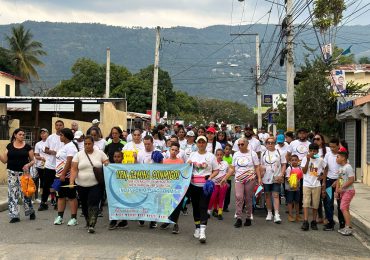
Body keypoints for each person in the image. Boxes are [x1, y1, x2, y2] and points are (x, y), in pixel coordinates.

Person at [70, 135, 109, 233]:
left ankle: (92, 223)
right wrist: (71, 181)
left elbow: (106, 163)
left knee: (93, 203)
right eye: (85, 144)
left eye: (89, 144)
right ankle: (88, 220)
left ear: (93, 144)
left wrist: (106, 164)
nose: (87, 146)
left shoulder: (100, 153)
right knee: (84, 204)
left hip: (96, 184)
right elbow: (74, 169)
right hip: (81, 185)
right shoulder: (78, 155)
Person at [222, 138, 261, 228]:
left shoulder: (252, 153)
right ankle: (239, 218)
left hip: (250, 178)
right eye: (238, 145)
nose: (240, 146)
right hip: (239, 179)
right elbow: (232, 168)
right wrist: (225, 177)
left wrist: (259, 178)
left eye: (242, 144)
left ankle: (248, 217)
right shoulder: (236, 154)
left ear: (247, 144)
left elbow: (257, 167)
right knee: (239, 197)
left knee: (248, 198)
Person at [187, 136, 220, 243]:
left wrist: (210, 177)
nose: (201, 144)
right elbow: (187, 167)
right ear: (197, 143)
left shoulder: (211, 156)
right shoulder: (192, 155)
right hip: (194, 185)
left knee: (203, 207)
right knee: (195, 207)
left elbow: (216, 170)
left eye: (203, 142)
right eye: (199, 142)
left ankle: (202, 231)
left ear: (206, 144)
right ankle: (197, 228)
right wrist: (188, 165)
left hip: (206, 187)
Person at [0, 128, 36, 223]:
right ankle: (14, 216)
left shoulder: (27, 147)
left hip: (24, 174)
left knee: (26, 193)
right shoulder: (10, 146)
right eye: (20, 134)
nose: (22, 136)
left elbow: (33, 160)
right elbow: (4, 161)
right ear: (15, 135)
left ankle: (30, 211)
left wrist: (28, 164)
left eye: (23, 135)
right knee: (12, 194)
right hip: (12, 173)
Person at [53, 128, 79, 226]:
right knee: (60, 196)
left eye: (61, 135)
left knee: (71, 197)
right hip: (58, 176)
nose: (60, 137)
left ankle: (73, 218)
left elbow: (70, 161)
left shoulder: (71, 147)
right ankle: (60, 216)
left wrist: (63, 174)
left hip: (67, 176)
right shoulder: (64, 146)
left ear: (66, 136)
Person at [39, 120, 64, 211]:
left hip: (60, 166)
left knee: (58, 185)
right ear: (55, 126)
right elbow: (46, 150)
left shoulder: (65, 137)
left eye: (60, 125)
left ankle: (58, 203)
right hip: (50, 165)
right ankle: (43, 203)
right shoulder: (51, 137)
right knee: (46, 185)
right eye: (57, 125)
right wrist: (52, 152)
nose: (58, 127)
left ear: (63, 126)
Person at [160, 142, 185, 234]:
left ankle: (175, 224)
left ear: (178, 151)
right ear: (169, 150)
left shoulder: (181, 161)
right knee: (167, 205)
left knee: (176, 206)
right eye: (172, 150)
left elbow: (183, 174)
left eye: (176, 150)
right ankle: (167, 222)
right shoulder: (165, 161)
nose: (174, 152)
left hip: (177, 187)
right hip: (167, 186)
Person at [301, 143, 326, 231]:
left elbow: (326, 167)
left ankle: (314, 221)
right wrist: (308, 160)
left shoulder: (320, 160)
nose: (312, 152)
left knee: (315, 204)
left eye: (314, 151)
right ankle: (305, 221)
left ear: (317, 151)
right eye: (310, 151)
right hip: (307, 184)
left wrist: (322, 177)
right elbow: (304, 171)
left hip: (316, 184)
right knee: (306, 203)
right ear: (309, 150)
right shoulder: (305, 158)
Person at [260, 137, 286, 224]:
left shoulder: (280, 152)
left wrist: (281, 174)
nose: (270, 144)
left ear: (275, 143)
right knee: (267, 195)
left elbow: (283, 165)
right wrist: (261, 171)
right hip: (266, 177)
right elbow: (260, 165)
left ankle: (277, 214)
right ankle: (269, 213)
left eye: (272, 143)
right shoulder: (263, 153)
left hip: (276, 177)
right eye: (268, 143)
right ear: (266, 144)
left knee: (275, 195)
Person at [136, 135, 159, 228]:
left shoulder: (157, 152)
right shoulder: (140, 153)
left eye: (148, 144)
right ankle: (142, 217)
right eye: (145, 144)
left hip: (154, 181)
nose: (146, 146)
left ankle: (153, 220)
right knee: (143, 200)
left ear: (152, 143)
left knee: (153, 201)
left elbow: (162, 167)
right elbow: (137, 167)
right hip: (143, 180)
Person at [323, 138, 344, 231]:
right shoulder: (327, 155)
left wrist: (338, 181)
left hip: (340, 181)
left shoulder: (342, 155)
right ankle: (330, 222)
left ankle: (342, 224)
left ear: (338, 145)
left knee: (340, 203)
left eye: (334, 147)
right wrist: (324, 182)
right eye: (330, 146)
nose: (331, 148)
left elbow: (344, 170)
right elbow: (325, 169)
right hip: (329, 181)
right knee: (328, 202)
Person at [335, 147, 355, 236]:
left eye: (338, 157)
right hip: (343, 191)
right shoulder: (340, 168)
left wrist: (342, 188)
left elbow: (351, 179)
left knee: (343, 208)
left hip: (349, 191)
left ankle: (349, 228)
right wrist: (337, 191)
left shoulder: (348, 167)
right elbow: (339, 180)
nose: (336, 158)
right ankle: (347, 226)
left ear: (343, 157)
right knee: (345, 208)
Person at [108, 151, 129, 230]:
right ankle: (114, 220)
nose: (116, 158)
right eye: (115, 157)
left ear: (122, 158)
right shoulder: (110, 167)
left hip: (123, 190)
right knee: (114, 204)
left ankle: (124, 221)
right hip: (113, 190)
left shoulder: (125, 167)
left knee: (123, 205)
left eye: (118, 157)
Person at [207, 149, 229, 220]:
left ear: (223, 155)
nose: (219, 156)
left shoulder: (225, 163)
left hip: (223, 184)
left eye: (221, 155)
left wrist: (226, 178)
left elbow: (230, 171)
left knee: (221, 198)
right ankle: (208, 212)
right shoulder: (213, 163)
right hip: (214, 183)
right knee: (212, 198)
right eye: (217, 155)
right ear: (215, 155)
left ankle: (220, 213)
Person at [285, 155, 302, 222]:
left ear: (298, 161)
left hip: (297, 188)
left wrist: (297, 182)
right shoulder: (289, 168)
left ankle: (297, 215)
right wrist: (292, 182)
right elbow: (287, 177)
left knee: (297, 202)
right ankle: (290, 215)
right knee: (290, 202)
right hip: (290, 188)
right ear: (290, 161)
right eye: (292, 160)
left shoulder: (300, 168)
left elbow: (301, 177)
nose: (294, 161)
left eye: (295, 160)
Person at [34, 128, 49, 204]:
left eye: (44, 133)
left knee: (48, 182)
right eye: (41, 133)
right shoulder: (38, 144)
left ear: (48, 134)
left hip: (50, 165)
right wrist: (41, 158)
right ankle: (42, 197)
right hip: (40, 165)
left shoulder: (51, 142)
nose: (43, 134)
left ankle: (50, 197)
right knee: (42, 181)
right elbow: (36, 155)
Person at [222, 143, 233, 212]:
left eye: (229, 149)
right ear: (224, 150)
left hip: (228, 179)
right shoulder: (222, 157)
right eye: (226, 149)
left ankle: (225, 206)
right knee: (221, 192)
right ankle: (219, 205)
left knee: (227, 193)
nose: (228, 151)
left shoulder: (232, 159)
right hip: (221, 179)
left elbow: (232, 168)